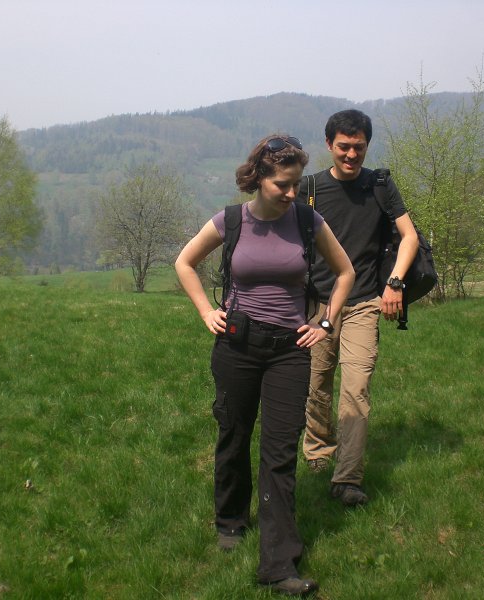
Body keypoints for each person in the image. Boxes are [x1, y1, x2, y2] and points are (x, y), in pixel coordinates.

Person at [175, 135, 354, 596]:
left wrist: (326, 322)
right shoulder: (232, 220)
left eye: (296, 184)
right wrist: (205, 311)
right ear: (258, 179)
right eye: (282, 185)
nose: (292, 193)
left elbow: (346, 272)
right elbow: (185, 262)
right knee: (233, 435)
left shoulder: (308, 220)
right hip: (237, 345)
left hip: (289, 350)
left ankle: (278, 564)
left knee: (280, 451)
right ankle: (230, 520)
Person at [300, 109, 419, 506]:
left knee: (356, 388)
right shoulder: (310, 189)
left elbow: (409, 236)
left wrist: (394, 283)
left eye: (359, 147)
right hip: (318, 303)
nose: (351, 155)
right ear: (329, 144)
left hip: (365, 301)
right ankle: (319, 449)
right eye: (344, 147)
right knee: (316, 383)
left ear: (367, 145)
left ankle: (347, 477)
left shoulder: (380, 186)